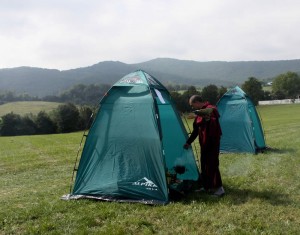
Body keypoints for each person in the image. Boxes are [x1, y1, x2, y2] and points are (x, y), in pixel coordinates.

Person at [183, 95, 225, 196]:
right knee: (205, 165)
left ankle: (219, 188)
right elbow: (196, 131)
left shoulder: (211, 108)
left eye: (193, 105)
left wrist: (208, 118)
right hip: (204, 143)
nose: (193, 108)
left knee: (212, 164)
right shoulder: (198, 114)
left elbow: (213, 116)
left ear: (197, 102)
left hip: (213, 142)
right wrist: (188, 142)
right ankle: (207, 186)